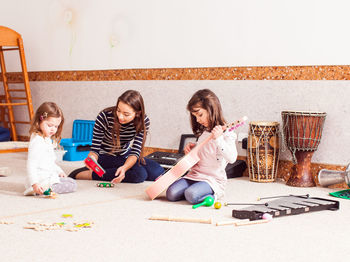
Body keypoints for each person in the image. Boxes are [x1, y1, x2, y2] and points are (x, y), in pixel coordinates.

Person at [69, 90, 164, 183]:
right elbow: (95, 149)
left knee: (157, 171)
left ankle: (112, 170)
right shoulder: (104, 116)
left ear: (137, 113)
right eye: (118, 110)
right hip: (105, 155)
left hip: (124, 154)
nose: (120, 117)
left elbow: (135, 152)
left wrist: (125, 168)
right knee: (139, 174)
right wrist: (92, 160)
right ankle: (85, 174)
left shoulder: (143, 121)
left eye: (126, 114)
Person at [166, 89, 237, 204]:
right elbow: (204, 154)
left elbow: (232, 158)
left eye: (200, 115)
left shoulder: (227, 133)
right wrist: (192, 149)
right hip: (195, 175)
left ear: (211, 109)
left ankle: (215, 194)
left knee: (191, 194)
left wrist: (219, 138)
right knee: (171, 193)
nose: (198, 120)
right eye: (195, 116)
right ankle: (197, 190)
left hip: (212, 179)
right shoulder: (204, 133)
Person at [24, 102, 77, 196]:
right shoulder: (37, 141)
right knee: (72, 185)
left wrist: (59, 171)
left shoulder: (46, 138)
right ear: (39, 120)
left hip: (47, 176)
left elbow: (49, 162)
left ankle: (45, 186)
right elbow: (31, 164)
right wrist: (35, 184)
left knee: (71, 181)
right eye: (49, 125)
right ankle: (41, 189)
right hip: (40, 180)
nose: (53, 129)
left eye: (56, 126)